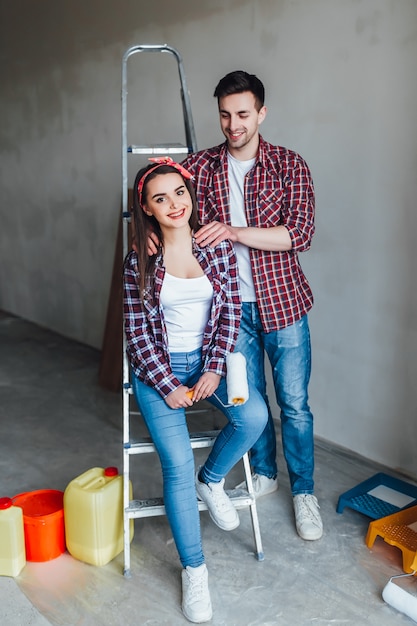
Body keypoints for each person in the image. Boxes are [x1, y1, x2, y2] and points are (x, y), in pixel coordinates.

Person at [178, 70, 323, 542]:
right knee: (249, 401)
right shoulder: (199, 168)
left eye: (242, 114)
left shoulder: (289, 164)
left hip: (284, 303)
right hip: (230, 311)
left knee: (295, 405)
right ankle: (264, 474)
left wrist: (234, 231)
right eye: (225, 114)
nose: (233, 124)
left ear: (261, 112)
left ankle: (304, 492)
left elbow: (298, 234)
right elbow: (162, 197)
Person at [123, 158, 268, 623]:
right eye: (160, 198)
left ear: (190, 194)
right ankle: (194, 569)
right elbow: (136, 334)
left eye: (179, 193)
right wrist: (167, 386)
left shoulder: (214, 249)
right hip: (158, 372)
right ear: (145, 207)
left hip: (209, 362)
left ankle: (214, 480)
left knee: (255, 417)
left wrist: (212, 369)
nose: (173, 204)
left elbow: (228, 314)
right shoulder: (138, 260)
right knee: (177, 464)